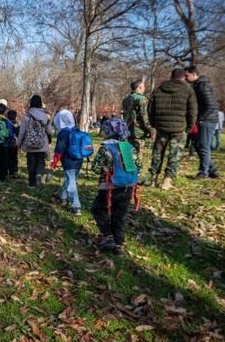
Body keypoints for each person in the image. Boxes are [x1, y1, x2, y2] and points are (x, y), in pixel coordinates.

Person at [90, 117, 141, 256]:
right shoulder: (128, 148)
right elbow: (138, 165)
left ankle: (108, 235)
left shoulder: (106, 148)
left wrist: (106, 169)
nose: (101, 132)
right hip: (128, 187)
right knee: (119, 216)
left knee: (97, 209)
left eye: (104, 130)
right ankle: (119, 246)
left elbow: (95, 168)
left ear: (109, 132)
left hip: (109, 187)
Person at [147, 68, 197, 190]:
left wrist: (154, 124)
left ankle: (153, 179)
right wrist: (189, 127)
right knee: (174, 155)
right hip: (179, 128)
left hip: (161, 127)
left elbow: (150, 109)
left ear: (171, 76)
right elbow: (192, 111)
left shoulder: (158, 90)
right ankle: (167, 181)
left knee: (157, 154)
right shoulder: (188, 90)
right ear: (183, 77)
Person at [184, 66, 220, 180]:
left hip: (208, 120)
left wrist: (200, 118)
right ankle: (212, 170)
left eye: (187, 75)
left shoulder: (203, 86)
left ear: (194, 74)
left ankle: (203, 173)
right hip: (206, 119)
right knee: (199, 145)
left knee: (203, 146)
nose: (185, 78)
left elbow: (210, 105)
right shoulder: (198, 86)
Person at [50, 109, 83, 215]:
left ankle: (76, 206)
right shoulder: (75, 130)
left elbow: (59, 151)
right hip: (78, 160)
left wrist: (53, 163)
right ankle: (62, 196)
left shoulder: (63, 133)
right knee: (70, 180)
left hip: (69, 162)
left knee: (71, 184)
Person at [16, 95, 53, 189]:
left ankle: (32, 183)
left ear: (31, 103)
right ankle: (39, 174)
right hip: (42, 144)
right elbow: (49, 131)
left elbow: (22, 132)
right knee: (40, 161)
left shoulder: (27, 116)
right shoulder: (45, 116)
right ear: (41, 104)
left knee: (31, 163)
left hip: (29, 144)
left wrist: (18, 143)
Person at [121, 78, 152, 153]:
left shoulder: (126, 99)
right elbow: (144, 116)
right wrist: (150, 129)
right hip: (139, 131)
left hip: (128, 130)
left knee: (130, 154)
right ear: (140, 87)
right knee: (137, 155)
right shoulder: (142, 99)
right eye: (144, 86)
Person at [6, 109, 20, 178]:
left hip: (7, 143)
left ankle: (9, 170)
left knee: (7, 157)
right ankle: (15, 171)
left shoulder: (6, 123)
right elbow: (19, 133)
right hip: (15, 143)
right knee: (14, 157)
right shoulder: (16, 124)